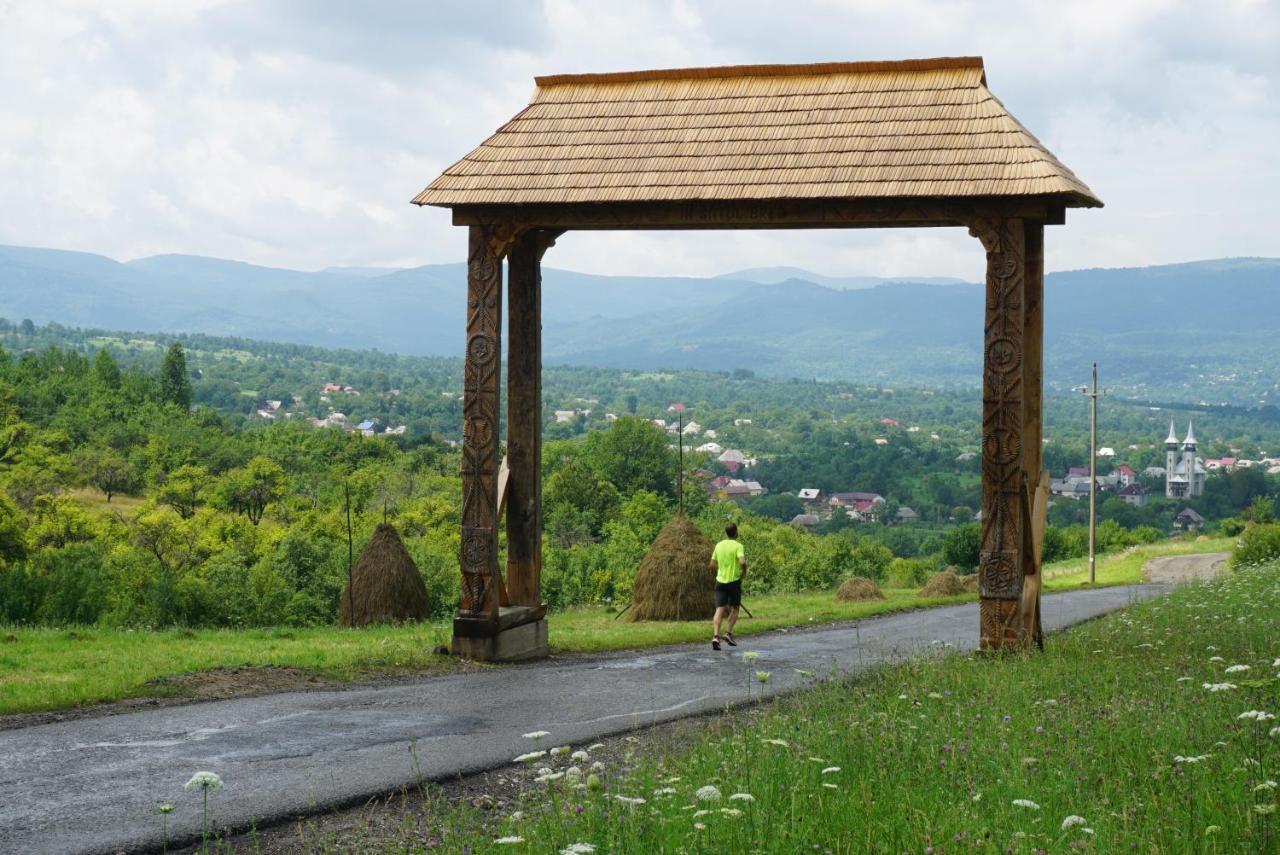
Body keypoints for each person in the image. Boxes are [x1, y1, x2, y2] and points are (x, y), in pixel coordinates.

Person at [709, 522, 746, 650]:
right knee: (735, 608)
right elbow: (742, 561)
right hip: (733, 581)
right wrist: (743, 572)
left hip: (720, 581)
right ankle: (728, 633)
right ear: (736, 532)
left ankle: (715, 636)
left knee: (719, 609)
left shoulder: (719, 545)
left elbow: (712, 564)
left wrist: (720, 571)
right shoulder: (738, 545)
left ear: (726, 532)